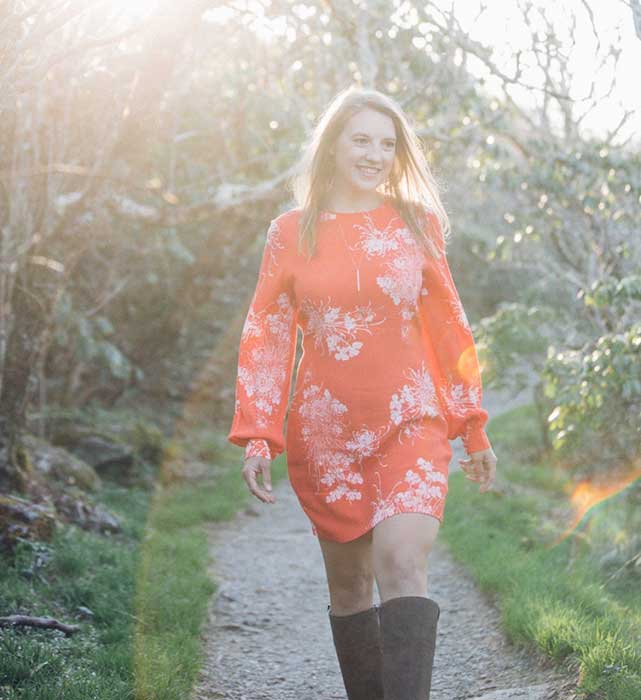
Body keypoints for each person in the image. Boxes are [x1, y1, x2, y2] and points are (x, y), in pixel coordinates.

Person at [227, 85, 498, 700]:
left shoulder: (416, 223)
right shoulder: (291, 232)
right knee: (348, 589)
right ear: (333, 146)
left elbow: (447, 326)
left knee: (402, 560)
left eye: (387, 142)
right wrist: (258, 435)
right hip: (326, 433)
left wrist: (470, 423)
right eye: (361, 139)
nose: (374, 153)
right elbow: (266, 336)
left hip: (411, 420)